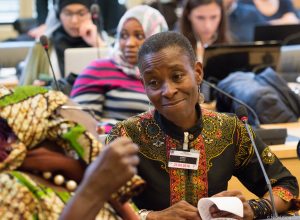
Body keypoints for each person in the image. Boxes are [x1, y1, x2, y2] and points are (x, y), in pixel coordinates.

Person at [103, 31, 298, 219]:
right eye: (153, 82)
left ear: (197, 72)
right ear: (144, 85)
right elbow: (101, 205)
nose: (168, 91)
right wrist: (152, 217)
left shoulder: (230, 130)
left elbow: (286, 186)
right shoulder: (125, 136)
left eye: (177, 76)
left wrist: (253, 208)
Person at [0, 85, 142, 219]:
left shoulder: (78, 175)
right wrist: (94, 190)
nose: (97, 127)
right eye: (81, 112)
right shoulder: (9, 187)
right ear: (54, 127)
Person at [71, 5, 168, 132]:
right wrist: (126, 131)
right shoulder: (99, 70)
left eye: (139, 36)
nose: (129, 43)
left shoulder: (167, 75)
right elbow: (79, 125)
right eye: (123, 35)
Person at [19, 0, 106, 86]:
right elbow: (24, 90)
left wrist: (98, 44)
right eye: (68, 13)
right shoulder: (42, 47)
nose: (74, 21)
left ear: (91, 14)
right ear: (58, 15)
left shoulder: (104, 45)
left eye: (81, 14)